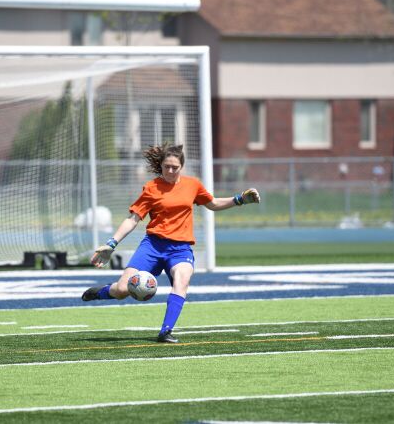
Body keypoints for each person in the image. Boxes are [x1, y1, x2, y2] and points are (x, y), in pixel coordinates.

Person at [81, 144, 260, 343]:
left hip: (180, 249)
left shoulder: (193, 185)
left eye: (175, 167)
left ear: (181, 167)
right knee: (123, 290)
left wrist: (240, 199)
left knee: (181, 280)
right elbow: (133, 218)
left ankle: (165, 331)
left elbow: (213, 204)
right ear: (161, 165)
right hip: (153, 246)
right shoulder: (151, 188)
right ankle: (102, 291)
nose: (171, 171)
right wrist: (112, 243)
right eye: (167, 166)